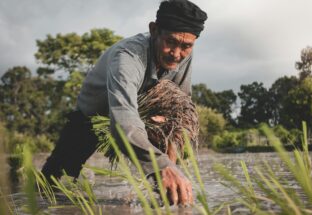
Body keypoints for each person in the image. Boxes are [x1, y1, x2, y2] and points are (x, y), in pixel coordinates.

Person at [41, 0, 207, 206]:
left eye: (186, 46)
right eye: (170, 42)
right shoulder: (128, 57)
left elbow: (179, 111)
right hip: (93, 117)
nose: (176, 54)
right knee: (55, 181)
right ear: (154, 30)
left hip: (144, 115)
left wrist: (171, 167)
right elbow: (124, 123)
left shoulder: (183, 55)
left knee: (168, 168)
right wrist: (161, 165)